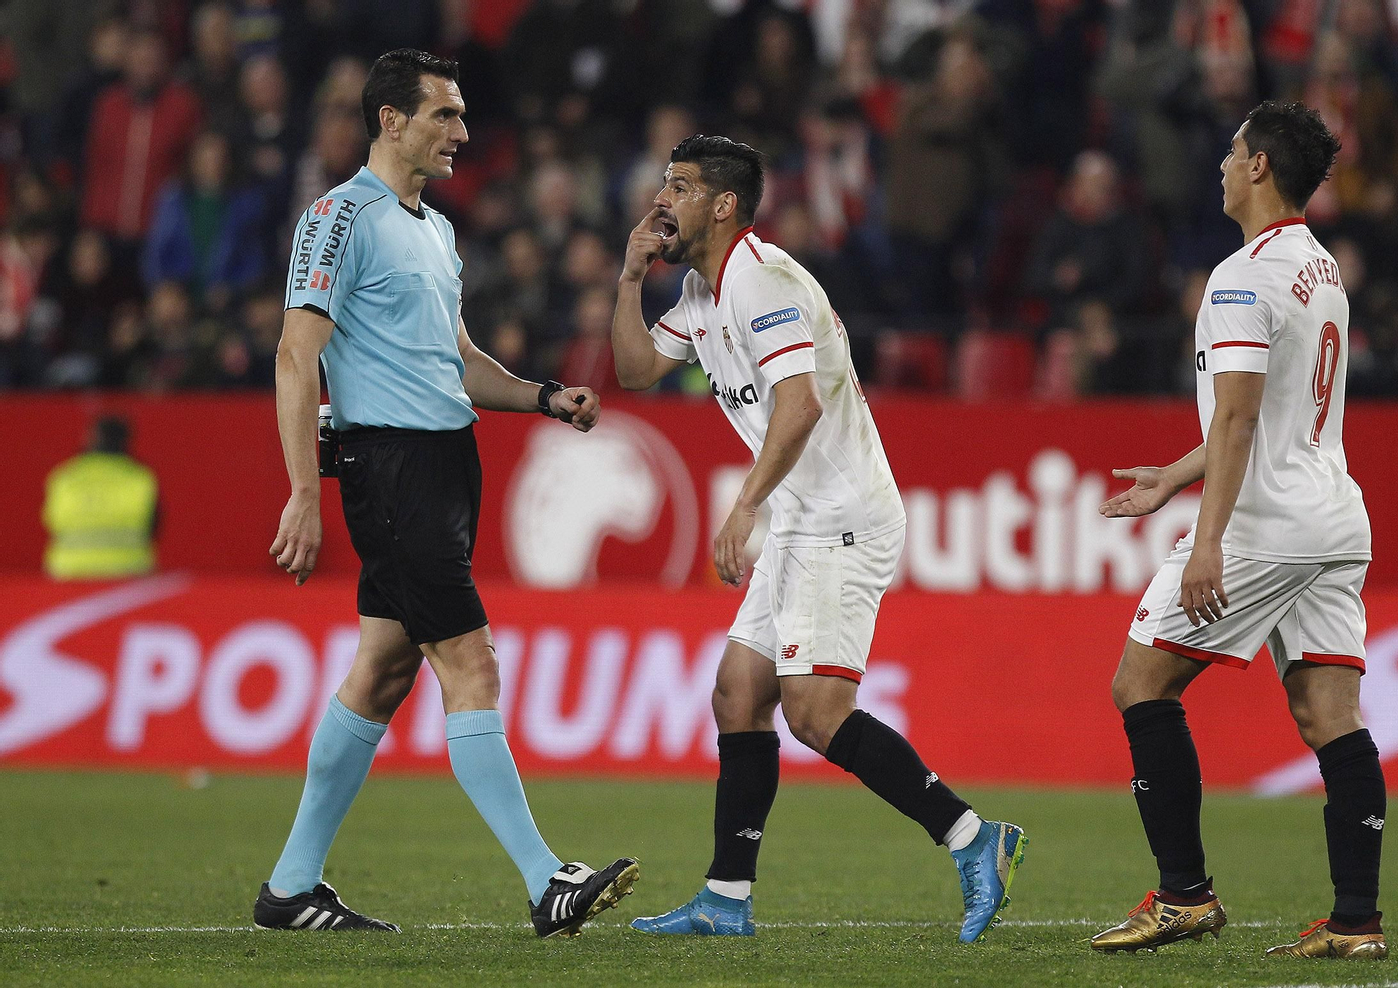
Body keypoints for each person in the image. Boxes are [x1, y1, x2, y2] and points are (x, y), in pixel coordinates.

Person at [257, 49, 638, 938]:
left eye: (462, 114)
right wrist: (303, 491)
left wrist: (543, 397)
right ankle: (546, 881)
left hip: (443, 467)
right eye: (445, 114)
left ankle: (291, 887)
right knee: (471, 664)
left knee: (383, 672)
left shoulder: (433, 227)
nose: (462, 131)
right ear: (391, 120)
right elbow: (294, 355)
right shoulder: (338, 218)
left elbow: (457, 360)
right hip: (390, 469)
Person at [611, 135, 1025, 944]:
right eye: (664, 183)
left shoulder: (762, 280)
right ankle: (725, 898)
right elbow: (632, 371)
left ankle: (974, 837)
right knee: (738, 694)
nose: (663, 198)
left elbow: (799, 405)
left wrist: (744, 508)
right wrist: (629, 278)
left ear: (723, 205)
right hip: (803, 519)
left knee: (816, 713)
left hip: (841, 519)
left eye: (680, 186)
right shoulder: (700, 290)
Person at [1088, 101, 1388, 960]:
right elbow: (1270, 413)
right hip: (1334, 517)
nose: (1221, 165)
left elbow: (1240, 417)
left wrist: (1209, 538)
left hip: (1268, 524)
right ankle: (1356, 923)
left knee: (1140, 684)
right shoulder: (1319, 267)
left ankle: (1184, 896)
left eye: (1231, 152)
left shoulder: (1239, 277)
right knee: (1330, 714)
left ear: (1258, 167)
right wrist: (1173, 476)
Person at [42, 415, 158, 580]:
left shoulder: (65, 477)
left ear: (89, 438)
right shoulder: (139, 478)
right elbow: (154, 526)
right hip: (127, 572)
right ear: (126, 440)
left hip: (68, 572)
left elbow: (51, 522)